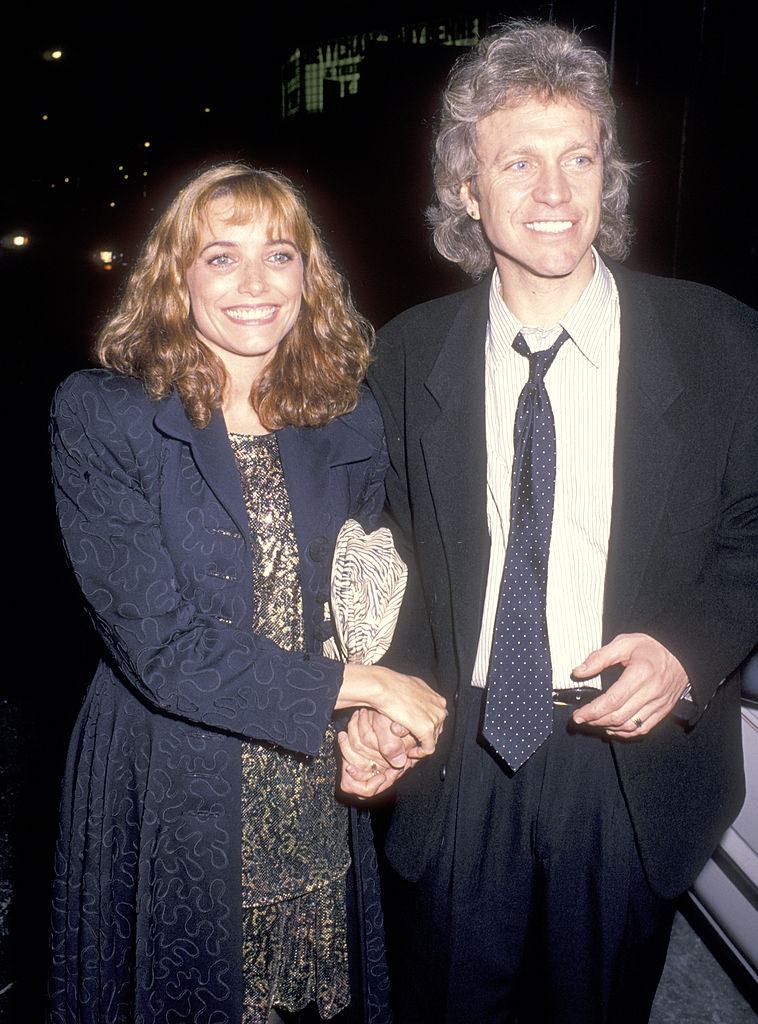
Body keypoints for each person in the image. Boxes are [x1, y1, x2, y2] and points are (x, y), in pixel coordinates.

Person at [338, 19, 758, 1024]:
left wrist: (684, 651)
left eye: (578, 157)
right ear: (466, 193)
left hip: (628, 762)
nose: (554, 193)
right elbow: (385, 555)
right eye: (515, 163)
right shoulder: (406, 352)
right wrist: (373, 701)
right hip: (458, 752)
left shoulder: (716, 338)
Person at [48, 163, 446, 1024]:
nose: (257, 284)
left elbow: (359, 603)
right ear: (175, 277)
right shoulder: (104, 416)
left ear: (311, 274)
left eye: (280, 254)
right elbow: (164, 650)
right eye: (220, 258)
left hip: (308, 779)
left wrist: (367, 721)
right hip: (169, 772)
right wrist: (370, 690)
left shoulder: (346, 415)